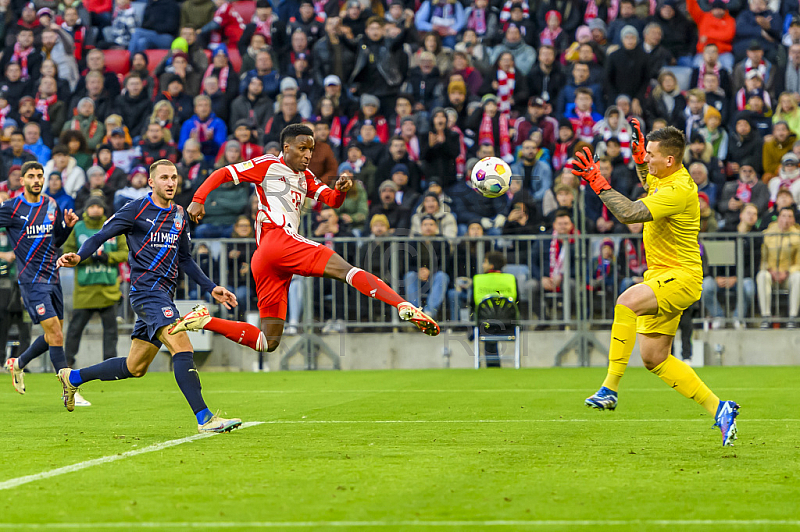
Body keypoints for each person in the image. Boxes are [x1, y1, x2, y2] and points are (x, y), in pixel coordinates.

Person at [168, 124, 441, 356]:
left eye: (311, 149)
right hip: (280, 240)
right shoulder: (267, 164)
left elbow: (331, 200)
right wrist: (197, 200)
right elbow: (223, 173)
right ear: (286, 148)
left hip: (266, 260)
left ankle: (204, 320)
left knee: (269, 342)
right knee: (348, 271)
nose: (308, 154)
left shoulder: (306, 177)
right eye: (302, 148)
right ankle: (403, 305)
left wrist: (341, 190)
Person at [573, 119, 740, 446]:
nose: (646, 160)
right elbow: (648, 184)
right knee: (654, 357)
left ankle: (609, 388)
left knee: (626, 302)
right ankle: (720, 408)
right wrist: (638, 159)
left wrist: (597, 181)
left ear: (670, 160)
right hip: (663, 275)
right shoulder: (667, 178)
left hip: (681, 276)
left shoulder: (678, 190)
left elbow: (631, 213)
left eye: (650, 155)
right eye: (645, 153)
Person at [56, 160, 242, 433]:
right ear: (151, 182)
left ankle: (73, 377)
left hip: (163, 295)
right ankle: (205, 418)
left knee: (135, 367)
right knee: (183, 348)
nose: (170, 182)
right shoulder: (135, 210)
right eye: (164, 177)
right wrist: (79, 256)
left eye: (174, 177)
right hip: (147, 292)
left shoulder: (179, 214)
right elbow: (101, 235)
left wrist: (210, 286)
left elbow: (185, 259)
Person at [2, 162, 79, 401]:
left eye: (40, 176)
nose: (36, 180)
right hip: (31, 281)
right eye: (31, 176)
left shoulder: (50, 204)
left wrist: (67, 228)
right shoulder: (12, 208)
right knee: (55, 334)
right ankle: (68, 389)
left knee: (55, 335)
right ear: (22, 180)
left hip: (53, 278)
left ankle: (18, 363)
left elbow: (55, 240)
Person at [62, 196, 127, 366]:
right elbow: (67, 251)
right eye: (92, 206)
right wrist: (85, 257)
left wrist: (108, 257)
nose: (96, 209)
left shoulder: (113, 226)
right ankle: (66, 363)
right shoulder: (78, 227)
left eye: (99, 206)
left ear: (104, 209)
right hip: (85, 290)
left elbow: (125, 252)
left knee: (111, 332)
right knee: (75, 330)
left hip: (109, 288)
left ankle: (110, 364)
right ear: (86, 209)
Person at [756, 206, 800, 328]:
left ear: (793, 220)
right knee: (762, 276)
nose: (786, 219)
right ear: (778, 218)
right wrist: (770, 270)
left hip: (788, 276)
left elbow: (798, 263)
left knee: (798, 277)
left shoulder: (798, 236)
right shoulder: (768, 234)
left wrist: (787, 272)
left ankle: (792, 317)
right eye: (784, 216)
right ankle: (766, 316)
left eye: (790, 216)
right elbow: (763, 260)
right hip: (772, 274)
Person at [472, 251, 517, 368]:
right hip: (509, 324)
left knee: (485, 321)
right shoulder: (511, 279)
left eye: (485, 262)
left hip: (484, 324)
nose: (482, 265)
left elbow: (471, 303)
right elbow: (518, 302)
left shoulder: (478, 279)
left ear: (491, 265)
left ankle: (491, 365)